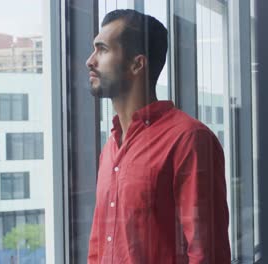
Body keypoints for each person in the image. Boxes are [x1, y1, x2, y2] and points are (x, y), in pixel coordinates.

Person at [86, 9, 230, 264]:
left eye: (102, 49)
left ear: (137, 64)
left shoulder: (189, 139)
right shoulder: (110, 149)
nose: (90, 61)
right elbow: (97, 247)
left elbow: (206, 252)